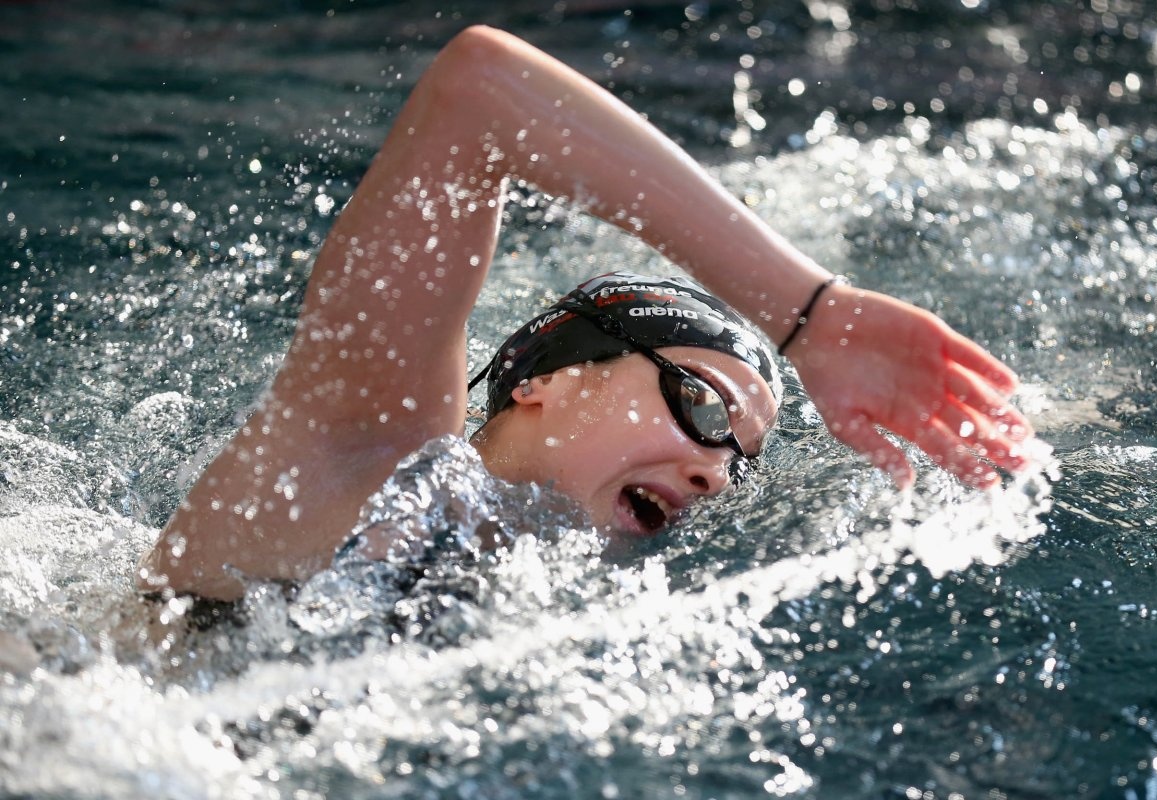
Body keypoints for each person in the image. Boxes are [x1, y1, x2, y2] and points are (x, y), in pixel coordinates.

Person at [137, 26, 1033, 602]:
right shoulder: (361, 458)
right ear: (546, 382)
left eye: (741, 461)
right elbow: (479, 91)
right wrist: (809, 316)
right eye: (703, 406)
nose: (716, 472)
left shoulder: (574, 606)